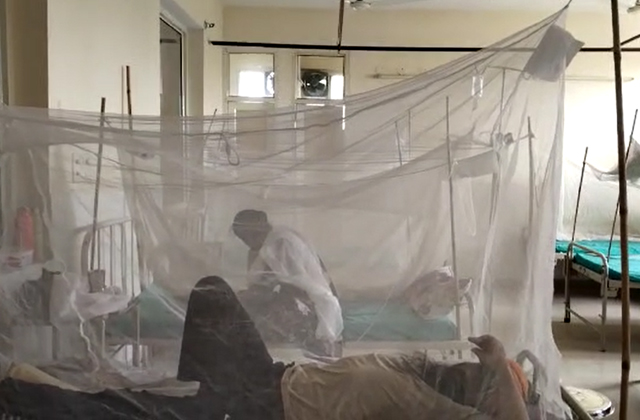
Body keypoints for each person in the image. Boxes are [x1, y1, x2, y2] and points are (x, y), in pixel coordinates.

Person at [0, 276, 531, 420]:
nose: (464, 368)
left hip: (262, 407)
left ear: (480, 399)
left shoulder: (430, 410)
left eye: (476, 376)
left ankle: (12, 393)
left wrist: (501, 365)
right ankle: (193, 395)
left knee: (117, 410)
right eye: (471, 367)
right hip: (272, 375)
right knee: (211, 290)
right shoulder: (415, 370)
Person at [231, 209, 343, 356]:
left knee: (247, 318)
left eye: (245, 238)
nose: (246, 243)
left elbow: (292, 284)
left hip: (308, 304)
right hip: (312, 301)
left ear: (253, 232)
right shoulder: (275, 239)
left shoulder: (280, 243)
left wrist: (254, 296)